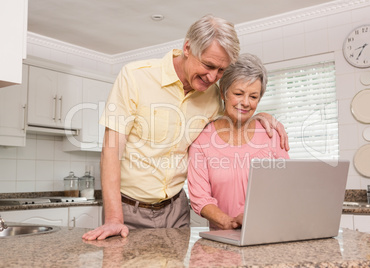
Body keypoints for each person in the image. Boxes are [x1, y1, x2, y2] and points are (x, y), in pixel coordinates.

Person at [82, 15, 289, 241]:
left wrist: (261, 116)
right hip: (129, 210)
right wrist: (114, 218)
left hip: (177, 211)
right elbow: (111, 151)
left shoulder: (212, 95)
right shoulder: (135, 77)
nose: (212, 77)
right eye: (208, 65)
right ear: (187, 48)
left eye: (221, 71)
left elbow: (238, 110)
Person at [187, 53, 289, 230]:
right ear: (223, 93)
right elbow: (199, 197)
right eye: (238, 93)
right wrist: (230, 223)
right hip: (223, 237)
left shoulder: (271, 134)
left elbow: (286, 187)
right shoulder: (202, 140)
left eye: (253, 96)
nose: (245, 102)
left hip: (268, 232)